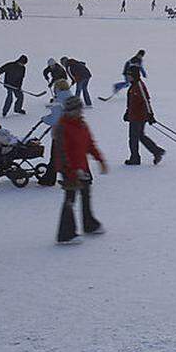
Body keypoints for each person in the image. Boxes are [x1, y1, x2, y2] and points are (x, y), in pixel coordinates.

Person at [55, 96, 107, 244]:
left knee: (86, 195)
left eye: (78, 109)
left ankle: (89, 225)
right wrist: (70, 170)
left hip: (83, 167)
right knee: (70, 200)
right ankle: (66, 234)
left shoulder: (82, 125)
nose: (78, 112)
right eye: (74, 110)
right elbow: (61, 151)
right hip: (69, 169)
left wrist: (100, 160)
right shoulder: (62, 127)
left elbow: (89, 144)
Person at [124, 68, 164, 165]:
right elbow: (132, 103)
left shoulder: (139, 86)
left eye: (129, 75)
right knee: (140, 136)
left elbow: (146, 101)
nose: (127, 77)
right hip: (135, 116)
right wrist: (127, 112)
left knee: (134, 138)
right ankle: (156, 151)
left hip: (139, 117)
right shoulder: (134, 86)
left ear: (134, 76)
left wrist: (150, 115)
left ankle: (135, 158)